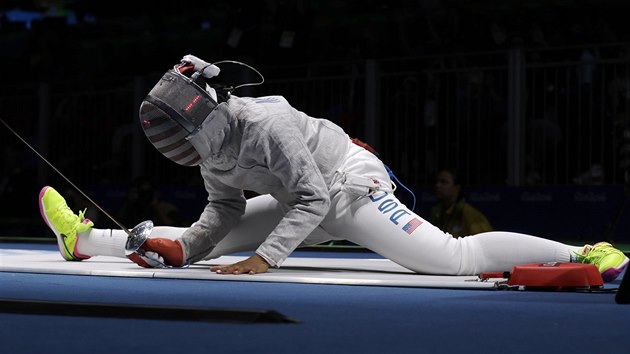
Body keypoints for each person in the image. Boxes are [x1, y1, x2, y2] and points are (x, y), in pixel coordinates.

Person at [37, 54, 629, 282]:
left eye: (181, 133)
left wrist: (263, 260)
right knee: (196, 245)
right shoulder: (213, 148)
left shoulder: (264, 125)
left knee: (454, 259)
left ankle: (581, 252)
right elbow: (223, 207)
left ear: (207, 116)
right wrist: (189, 248)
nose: (177, 147)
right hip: (305, 199)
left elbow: (314, 198)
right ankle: (82, 239)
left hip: (348, 189)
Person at [431, 168, 493, 237]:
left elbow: (484, 241)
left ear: (457, 188)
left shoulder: (470, 214)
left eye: (444, 182)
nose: (437, 185)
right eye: (437, 182)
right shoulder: (437, 212)